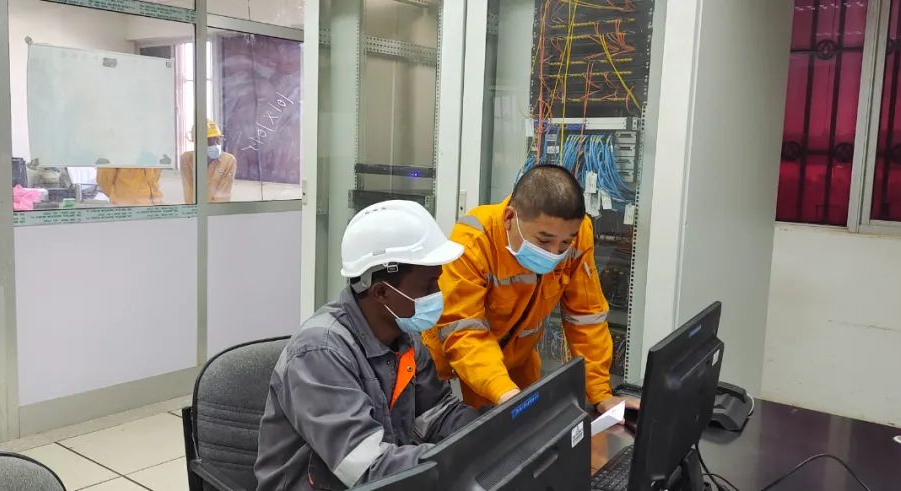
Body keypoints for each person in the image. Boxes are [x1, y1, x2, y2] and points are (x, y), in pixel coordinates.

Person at [254, 200, 479, 491]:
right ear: (381, 292)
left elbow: (437, 416)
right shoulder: (320, 353)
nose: (438, 294)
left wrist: (489, 434)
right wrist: (455, 459)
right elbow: (368, 468)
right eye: (428, 287)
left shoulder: (405, 338)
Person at [422, 165, 638, 415]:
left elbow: (586, 318)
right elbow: (463, 330)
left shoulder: (577, 236)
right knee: (466, 428)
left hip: (518, 360)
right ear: (509, 219)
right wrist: (503, 392)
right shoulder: (473, 241)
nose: (554, 253)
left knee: (528, 428)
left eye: (564, 244)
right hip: (456, 359)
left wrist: (601, 394)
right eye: (544, 240)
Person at [181, 119, 236, 204]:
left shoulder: (228, 160)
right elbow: (189, 192)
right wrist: (193, 210)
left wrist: (211, 211)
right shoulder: (187, 159)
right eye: (210, 141)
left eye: (217, 140)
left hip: (217, 209)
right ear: (197, 143)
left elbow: (223, 196)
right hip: (197, 209)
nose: (215, 145)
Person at [96, 166, 163, 206]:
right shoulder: (116, 153)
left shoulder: (150, 152)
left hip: (154, 204)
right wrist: (119, 196)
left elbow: (155, 177)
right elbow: (103, 180)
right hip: (127, 207)